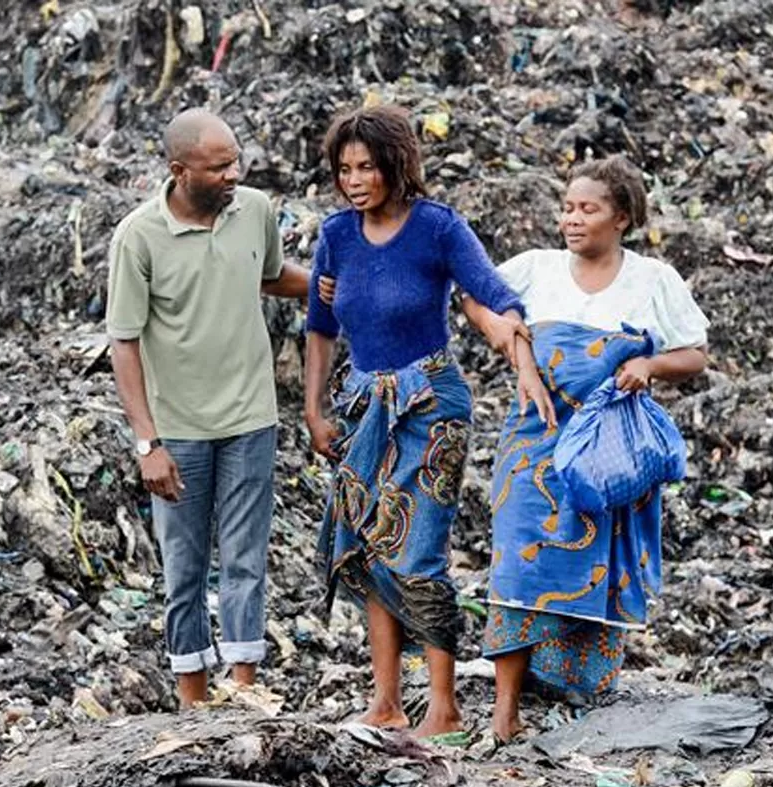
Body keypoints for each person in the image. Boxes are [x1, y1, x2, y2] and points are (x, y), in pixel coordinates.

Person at [303, 104, 551, 739]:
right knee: (364, 548)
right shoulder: (336, 235)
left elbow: (490, 292)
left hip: (430, 404)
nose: (355, 179)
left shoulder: (436, 227)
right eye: (344, 169)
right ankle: (384, 700)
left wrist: (516, 344)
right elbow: (320, 329)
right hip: (362, 405)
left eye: (368, 167)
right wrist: (313, 408)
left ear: (396, 165)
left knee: (419, 548)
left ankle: (443, 704)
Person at [479, 155, 710, 741]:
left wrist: (647, 364)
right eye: (568, 208)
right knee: (518, 566)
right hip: (533, 442)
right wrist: (517, 348)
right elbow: (476, 296)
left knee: (593, 566)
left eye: (589, 209)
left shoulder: (653, 279)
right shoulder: (535, 268)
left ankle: (572, 701)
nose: (572, 220)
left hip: (606, 453)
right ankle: (505, 710)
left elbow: (695, 353)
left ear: (622, 218)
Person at [107, 108, 311, 709]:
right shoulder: (138, 237)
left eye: (235, 163)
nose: (232, 175)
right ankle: (194, 701)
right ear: (179, 170)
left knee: (247, 558)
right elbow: (124, 342)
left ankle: (244, 689)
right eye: (219, 167)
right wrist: (148, 443)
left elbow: (271, 276)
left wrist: (338, 283)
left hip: (252, 418)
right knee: (185, 567)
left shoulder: (254, 212)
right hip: (181, 429)